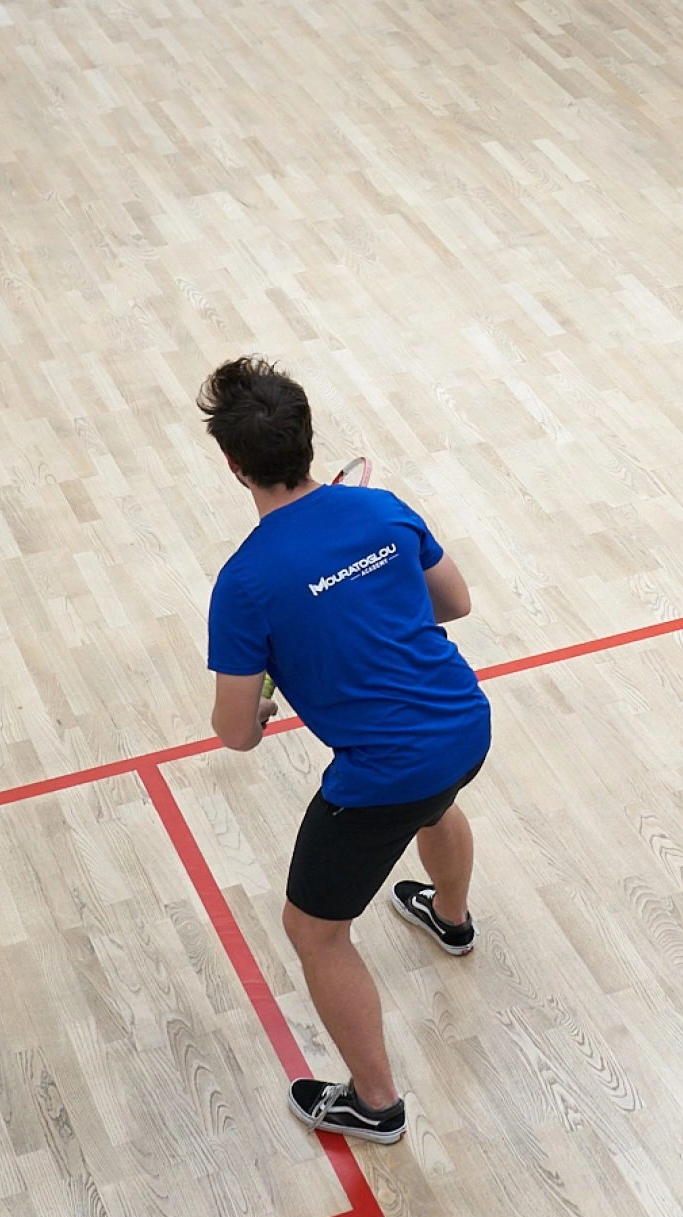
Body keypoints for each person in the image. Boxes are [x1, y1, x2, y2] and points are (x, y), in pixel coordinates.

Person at [200, 356, 490, 1145]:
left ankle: (376, 1102)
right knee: (436, 800)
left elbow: (233, 732)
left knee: (315, 931)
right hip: (464, 725)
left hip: (386, 771)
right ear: (306, 440)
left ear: (234, 466)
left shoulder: (245, 583)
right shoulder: (381, 509)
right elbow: (455, 603)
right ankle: (453, 920)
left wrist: (261, 703)